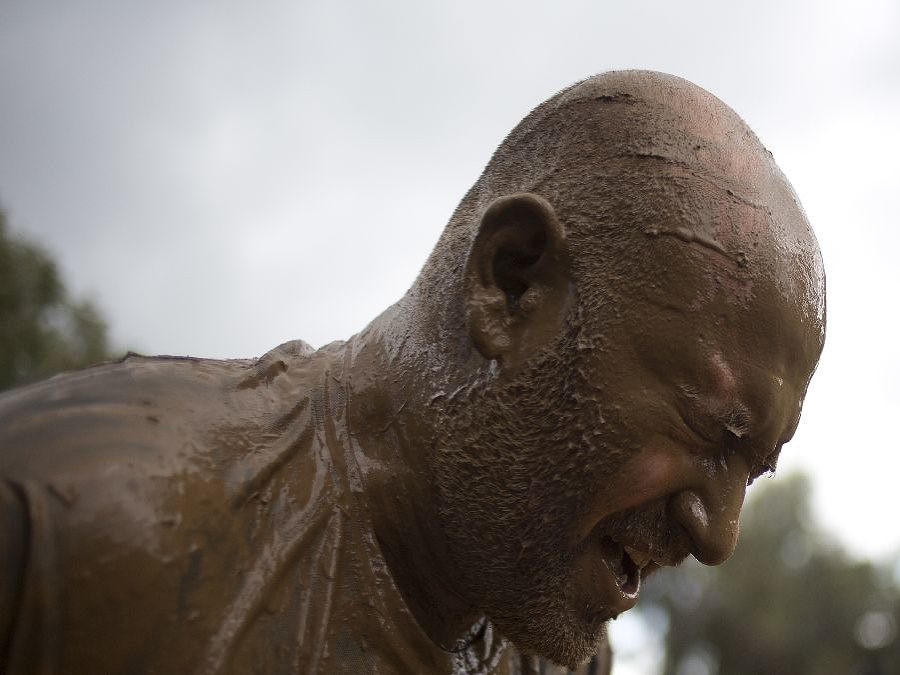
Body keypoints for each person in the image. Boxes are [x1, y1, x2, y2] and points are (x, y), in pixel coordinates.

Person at [0, 70, 825, 674]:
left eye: (750, 474)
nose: (718, 535)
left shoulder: (556, 654)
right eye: (716, 431)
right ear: (510, 284)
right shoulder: (75, 536)